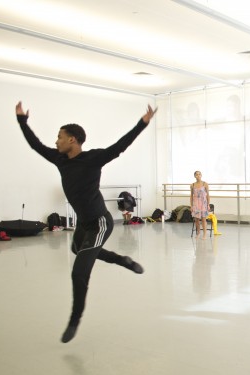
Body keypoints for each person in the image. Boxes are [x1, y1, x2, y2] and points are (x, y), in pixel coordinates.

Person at [15, 101, 157, 343]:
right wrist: (22, 121)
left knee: (79, 271)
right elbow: (34, 145)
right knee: (77, 248)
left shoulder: (93, 159)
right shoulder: (60, 159)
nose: (56, 141)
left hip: (101, 222)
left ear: (72, 140)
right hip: (83, 224)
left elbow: (120, 145)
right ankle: (122, 260)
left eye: (60, 137)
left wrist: (142, 123)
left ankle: (74, 320)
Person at [191, 170, 210, 239]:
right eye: (196, 174)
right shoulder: (192, 185)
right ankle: (198, 233)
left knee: (203, 219)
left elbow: (208, 195)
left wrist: (208, 204)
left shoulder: (205, 184)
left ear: (201, 175)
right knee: (196, 219)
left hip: (203, 203)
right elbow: (191, 196)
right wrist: (191, 206)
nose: (198, 175)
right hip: (196, 203)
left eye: (199, 174)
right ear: (194, 176)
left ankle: (205, 234)